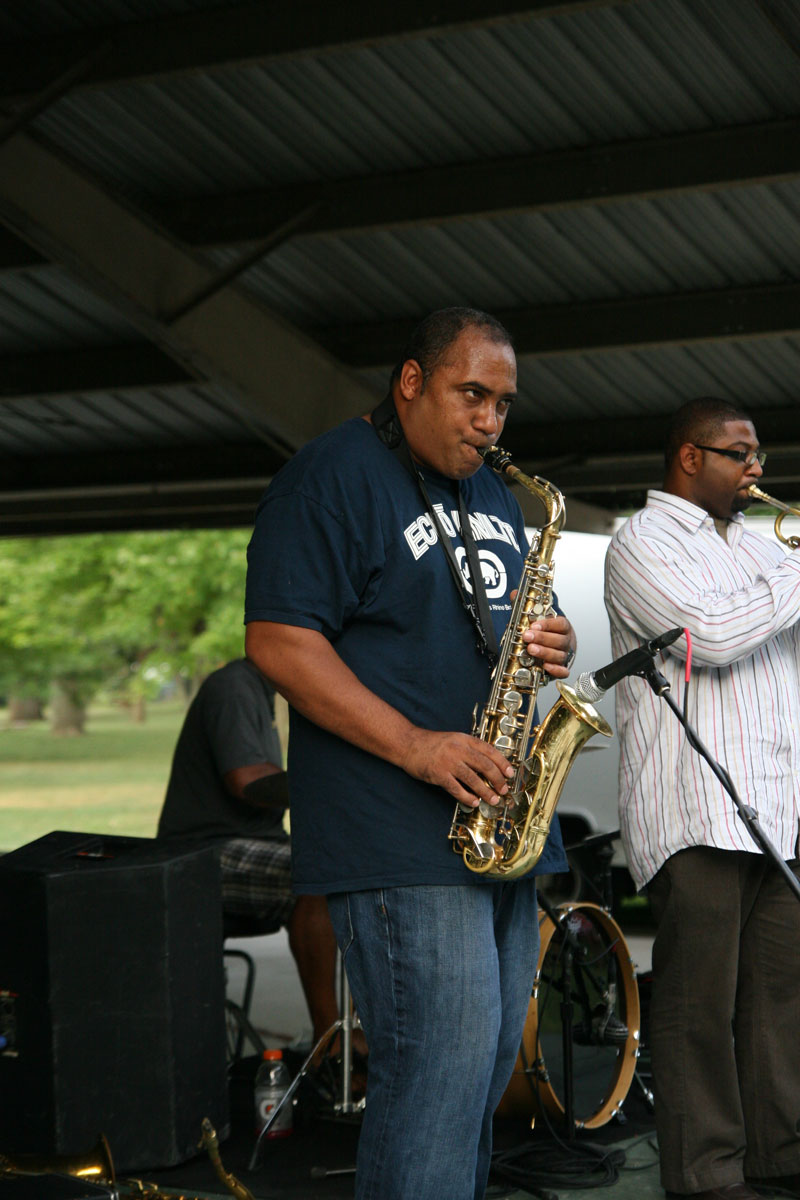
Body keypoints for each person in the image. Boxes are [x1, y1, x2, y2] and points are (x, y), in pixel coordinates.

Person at [243, 307, 577, 1200]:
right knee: (436, 1080)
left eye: (504, 404)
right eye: (473, 395)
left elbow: (480, 625)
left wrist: (544, 644)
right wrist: (419, 746)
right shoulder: (330, 478)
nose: (490, 421)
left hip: (495, 828)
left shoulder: (495, 493)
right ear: (411, 381)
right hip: (399, 832)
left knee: (479, 1083)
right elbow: (279, 642)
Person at [604, 397, 800, 1200]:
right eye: (740, 454)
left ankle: (780, 1160)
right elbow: (705, 638)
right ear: (690, 457)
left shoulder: (761, 551)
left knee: (779, 1005)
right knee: (698, 1008)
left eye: (758, 456)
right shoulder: (640, 544)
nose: (758, 470)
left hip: (780, 812)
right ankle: (706, 1177)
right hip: (697, 809)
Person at [156, 657, 344, 1058]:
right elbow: (246, 779)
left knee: (358, 869)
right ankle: (331, 1041)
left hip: (253, 843)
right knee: (319, 876)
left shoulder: (265, 692)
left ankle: (368, 1034)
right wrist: (336, 784)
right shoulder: (234, 687)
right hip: (205, 851)